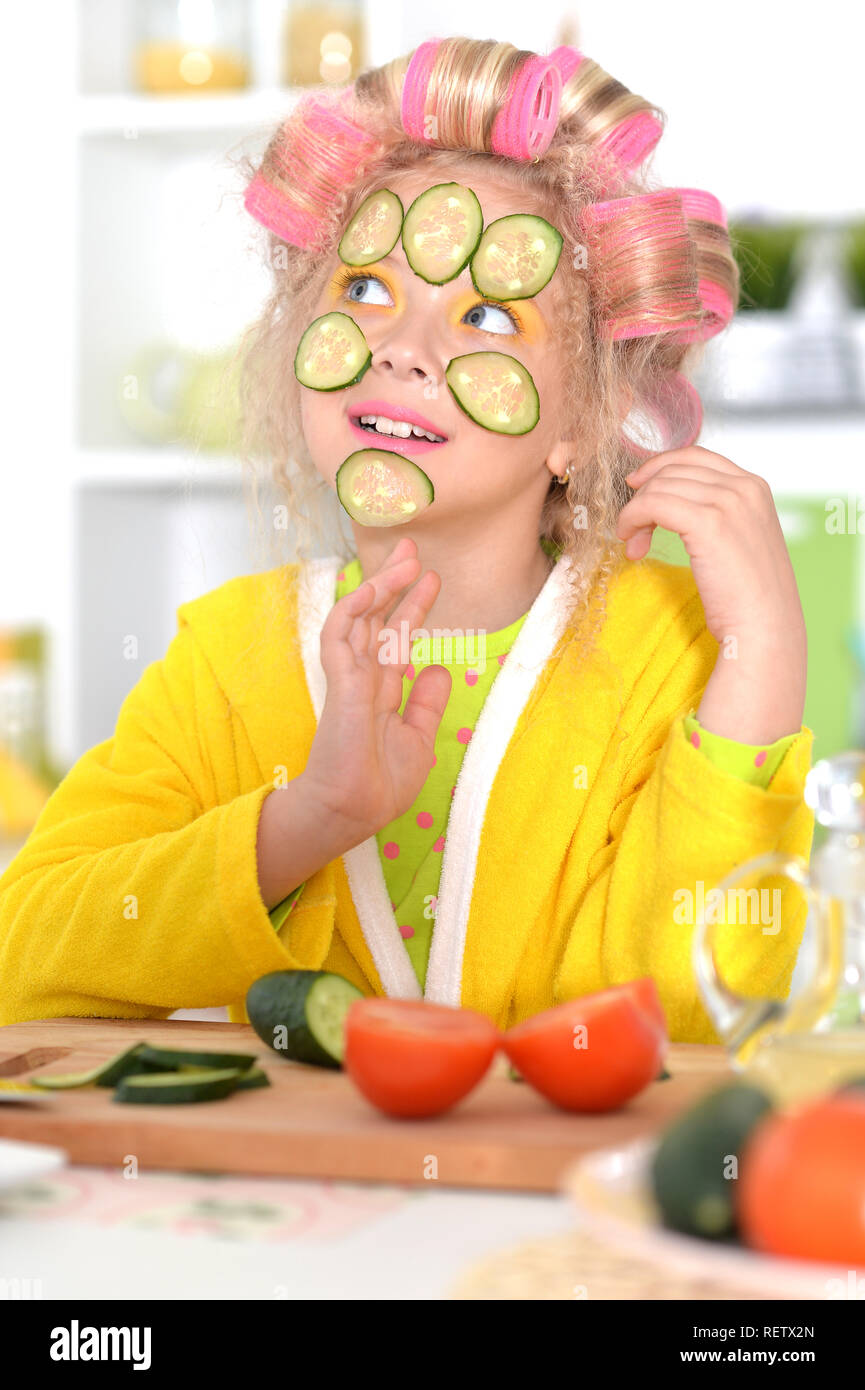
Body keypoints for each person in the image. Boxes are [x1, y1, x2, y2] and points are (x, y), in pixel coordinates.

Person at [0, 37, 813, 1041]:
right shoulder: (226, 657)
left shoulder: (667, 649)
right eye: (367, 291)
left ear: (581, 428)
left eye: (485, 313)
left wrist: (763, 661)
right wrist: (312, 819)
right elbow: (24, 963)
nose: (404, 348)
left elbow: (697, 1018)